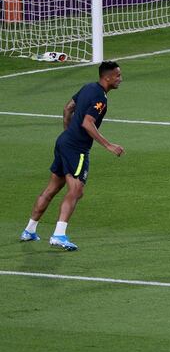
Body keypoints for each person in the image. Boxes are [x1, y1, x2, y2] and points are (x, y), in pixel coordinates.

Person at [19, 61, 125, 251]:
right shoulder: (100, 98)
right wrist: (109, 145)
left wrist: (68, 133)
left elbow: (68, 107)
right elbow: (87, 122)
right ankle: (59, 235)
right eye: (117, 75)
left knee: (52, 188)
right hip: (76, 149)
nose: (120, 79)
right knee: (76, 190)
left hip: (64, 142)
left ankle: (29, 230)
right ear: (107, 77)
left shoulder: (88, 87)